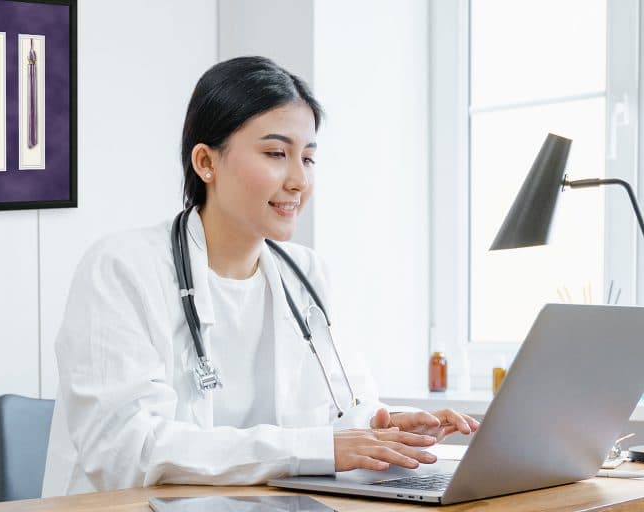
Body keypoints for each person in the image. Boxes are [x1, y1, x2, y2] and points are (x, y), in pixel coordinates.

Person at [42, 56, 478, 496]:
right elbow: (125, 452)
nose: (298, 180)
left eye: (307, 158)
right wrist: (315, 448)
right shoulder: (122, 268)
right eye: (275, 154)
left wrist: (380, 427)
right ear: (205, 162)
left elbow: (338, 412)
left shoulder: (306, 273)